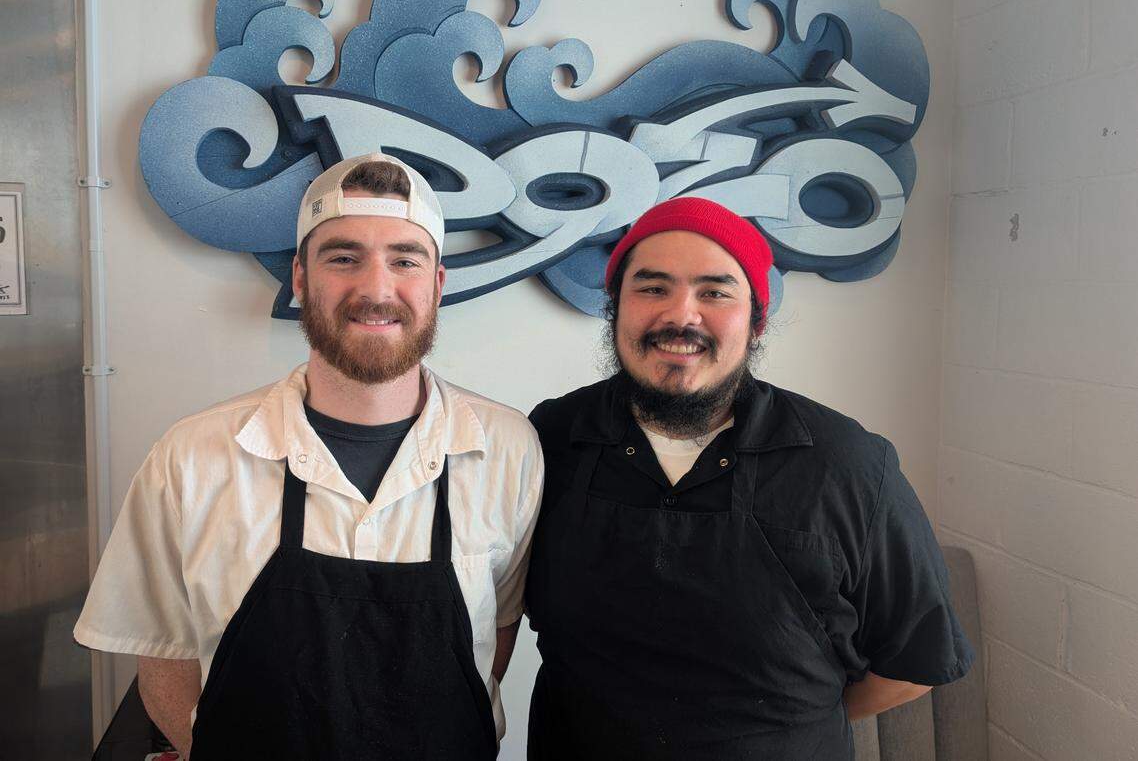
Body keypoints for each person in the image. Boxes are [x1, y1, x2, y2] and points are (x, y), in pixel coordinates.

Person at [75, 153, 543, 759]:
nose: (376, 289)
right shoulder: (191, 460)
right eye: (343, 258)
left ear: (437, 283)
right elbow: (165, 658)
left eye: (405, 259)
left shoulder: (506, 449)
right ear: (299, 277)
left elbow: (497, 633)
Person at [524, 196, 973, 761]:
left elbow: (913, 663)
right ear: (616, 307)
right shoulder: (548, 438)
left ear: (756, 319)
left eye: (715, 292)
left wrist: (786, 730)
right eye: (652, 287)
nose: (681, 316)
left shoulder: (849, 463)